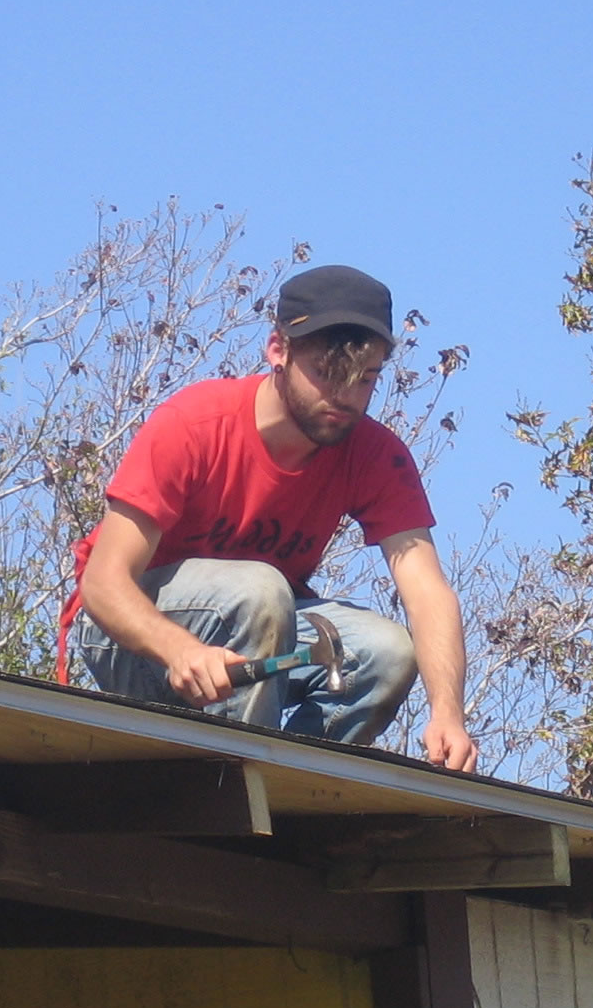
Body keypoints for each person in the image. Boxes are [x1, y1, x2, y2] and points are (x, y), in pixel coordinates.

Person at [62, 263, 478, 770]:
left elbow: (428, 592)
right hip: (130, 636)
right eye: (326, 374)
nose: (344, 397)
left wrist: (447, 713)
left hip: (259, 628)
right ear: (278, 350)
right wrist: (180, 649)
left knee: (385, 652)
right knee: (260, 590)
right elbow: (103, 584)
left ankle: (291, 785)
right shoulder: (195, 424)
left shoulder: (374, 454)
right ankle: (234, 785)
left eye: (365, 379)